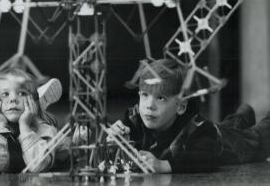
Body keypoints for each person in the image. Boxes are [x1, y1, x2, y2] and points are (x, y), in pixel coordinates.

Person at [109, 59, 270, 173]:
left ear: (180, 106)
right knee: (228, 127)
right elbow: (125, 136)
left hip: (228, 146)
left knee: (257, 137)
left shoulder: (197, 129)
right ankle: (242, 116)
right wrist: (116, 136)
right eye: (145, 95)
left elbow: (207, 158)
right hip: (217, 131)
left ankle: (243, 118)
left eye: (160, 98)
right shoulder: (136, 118)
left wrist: (164, 165)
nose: (149, 105)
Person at [0, 68, 68, 173]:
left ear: (34, 103)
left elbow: (39, 166)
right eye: (5, 94)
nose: (13, 99)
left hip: (63, 151)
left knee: (74, 142)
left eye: (21, 93)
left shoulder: (46, 132)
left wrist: (25, 127)